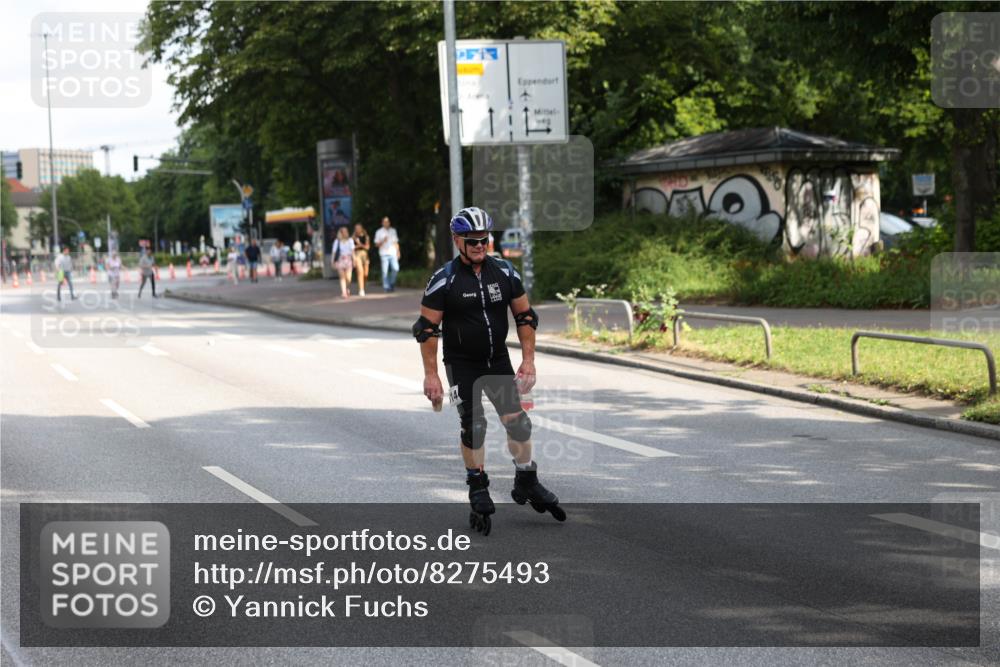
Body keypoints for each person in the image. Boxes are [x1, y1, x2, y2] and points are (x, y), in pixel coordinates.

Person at [414, 206, 561, 536]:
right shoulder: (444, 280)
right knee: (473, 424)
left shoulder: (506, 273)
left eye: (484, 239)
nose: (480, 245)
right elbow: (426, 329)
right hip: (461, 364)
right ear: (457, 241)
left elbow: (525, 317)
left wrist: (528, 360)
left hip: (497, 360)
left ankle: (526, 479)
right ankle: (477, 484)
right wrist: (431, 374)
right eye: (473, 240)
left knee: (519, 423)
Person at [374, 216, 400, 292]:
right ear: (382, 223)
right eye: (385, 222)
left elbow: (396, 242)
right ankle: (386, 287)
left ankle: (391, 283)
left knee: (396, 268)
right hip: (383, 254)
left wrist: (398, 251)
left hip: (393, 253)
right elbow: (376, 244)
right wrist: (383, 241)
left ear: (389, 222)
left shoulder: (393, 231)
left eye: (387, 221)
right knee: (384, 271)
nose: (386, 223)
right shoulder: (379, 232)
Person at [332, 226, 355, 298]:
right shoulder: (337, 241)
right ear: (341, 233)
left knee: (348, 278)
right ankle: (344, 292)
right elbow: (334, 252)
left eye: (346, 231)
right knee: (342, 277)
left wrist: (354, 260)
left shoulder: (350, 240)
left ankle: (347, 288)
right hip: (340, 260)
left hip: (348, 259)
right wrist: (332, 261)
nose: (346, 233)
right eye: (344, 232)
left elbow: (352, 251)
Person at [352, 223, 370, 297]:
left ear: (361, 229)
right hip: (357, 254)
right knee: (360, 272)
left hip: (365, 254)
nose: (357, 230)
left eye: (359, 228)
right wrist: (357, 246)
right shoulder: (353, 238)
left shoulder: (366, 236)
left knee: (365, 274)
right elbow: (351, 248)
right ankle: (361, 289)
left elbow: (367, 247)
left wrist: (360, 244)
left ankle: (363, 286)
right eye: (356, 228)